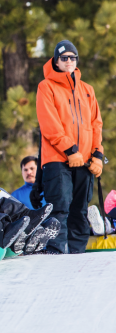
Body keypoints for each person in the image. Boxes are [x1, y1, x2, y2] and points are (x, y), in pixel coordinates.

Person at [35, 40, 103, 254]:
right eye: (64, 58)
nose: (69, 61)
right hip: (57, 159)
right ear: (56, 61)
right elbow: (49, 123)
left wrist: (98, 154)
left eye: (73, 57)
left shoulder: (88, 90)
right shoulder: (46, 86)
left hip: (84, 160)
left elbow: (96, 123)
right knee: (60, 206)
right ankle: (56, 253)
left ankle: (77, 255)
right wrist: (70, 150)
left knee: (80, 210)